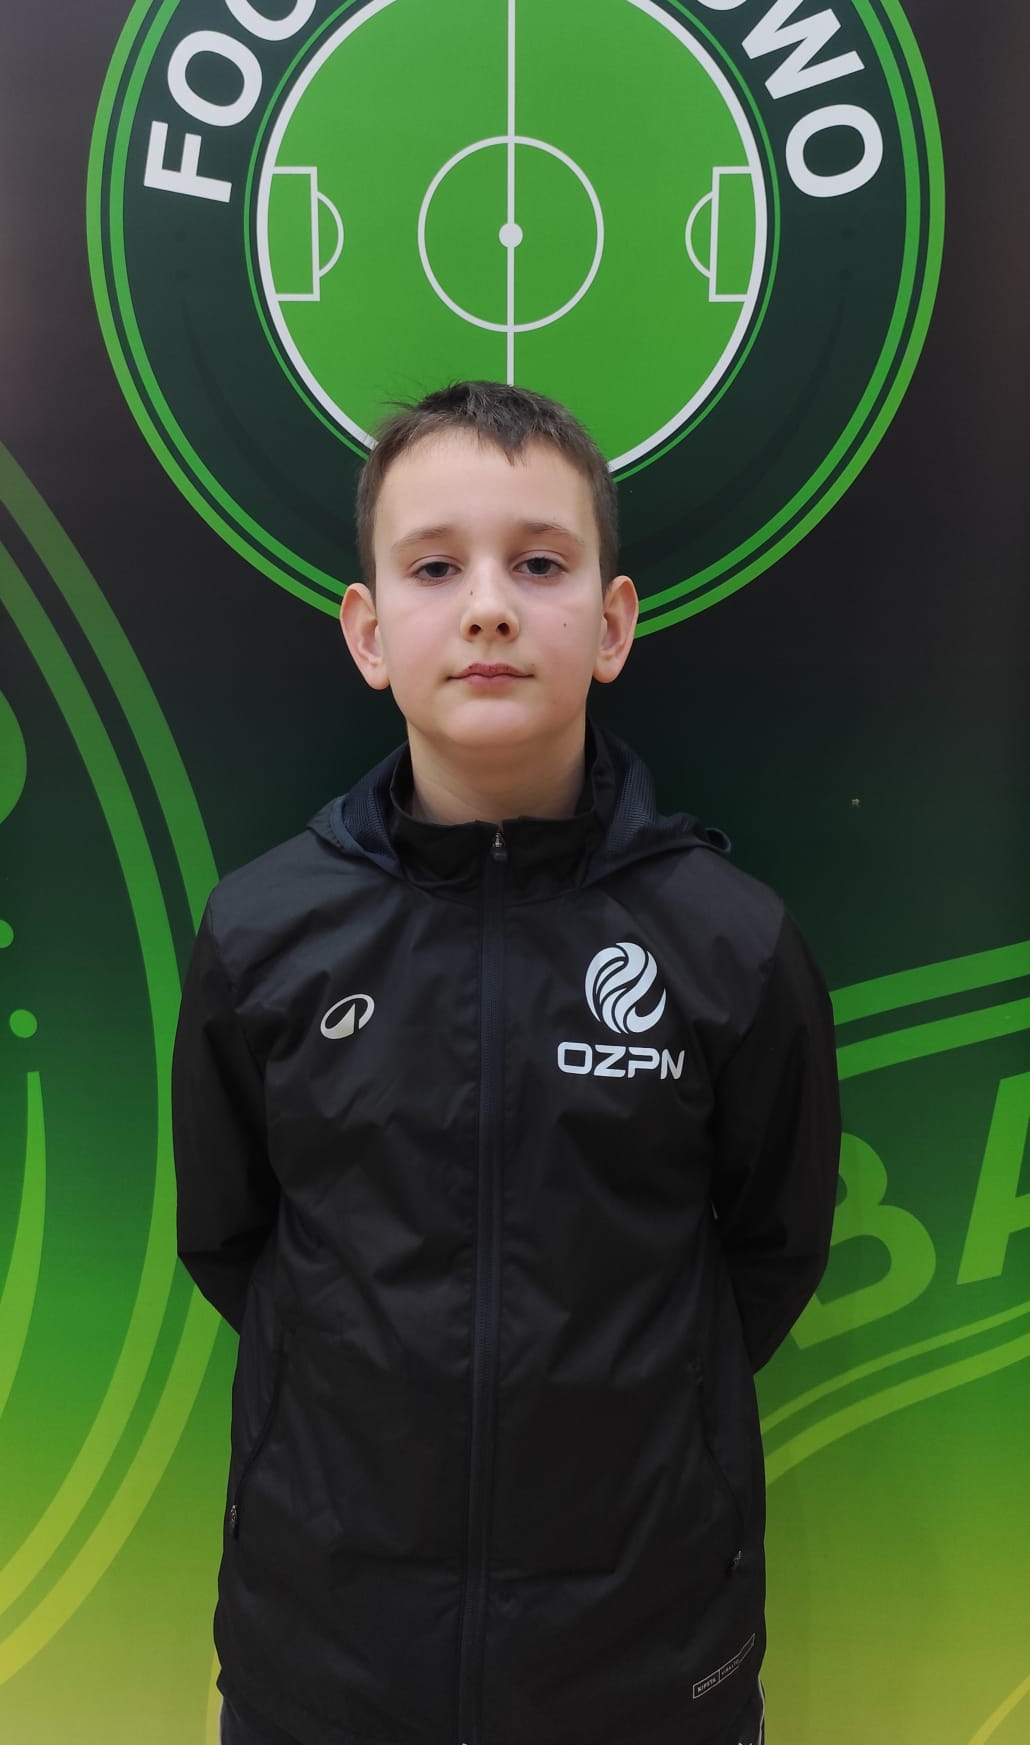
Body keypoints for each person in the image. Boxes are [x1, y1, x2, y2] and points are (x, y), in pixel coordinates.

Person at [172, 380, 841, 1745]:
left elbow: (768, 1252)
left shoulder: (730, 942)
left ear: (612, 623)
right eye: (434, 567)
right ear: (368, 631)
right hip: (327, 1658)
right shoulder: (261, 934)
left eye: (539, 564)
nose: (487, 606)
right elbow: (232, 1240)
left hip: (643, 1657)